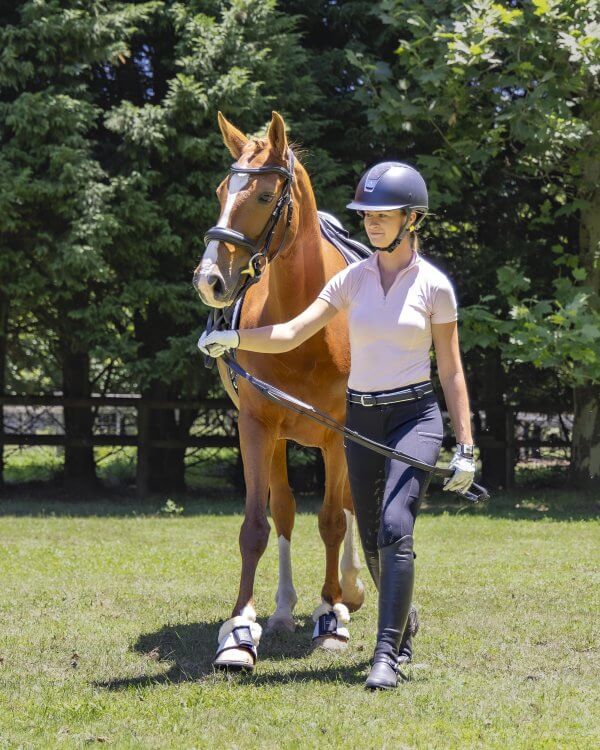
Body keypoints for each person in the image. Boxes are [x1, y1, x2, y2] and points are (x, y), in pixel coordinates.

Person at [198, 161, 476, 690]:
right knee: (369, 531)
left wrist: (464, 445)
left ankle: (386, 655)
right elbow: (291, 332)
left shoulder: (436, 287)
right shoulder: (351, 279)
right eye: (366, 215)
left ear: (411, 219)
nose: (371, 224)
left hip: (414, 415)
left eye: (383, 215)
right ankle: (403, 620)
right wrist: (233, 341)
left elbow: (453, 370)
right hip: (364, 417)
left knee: (395, 524)